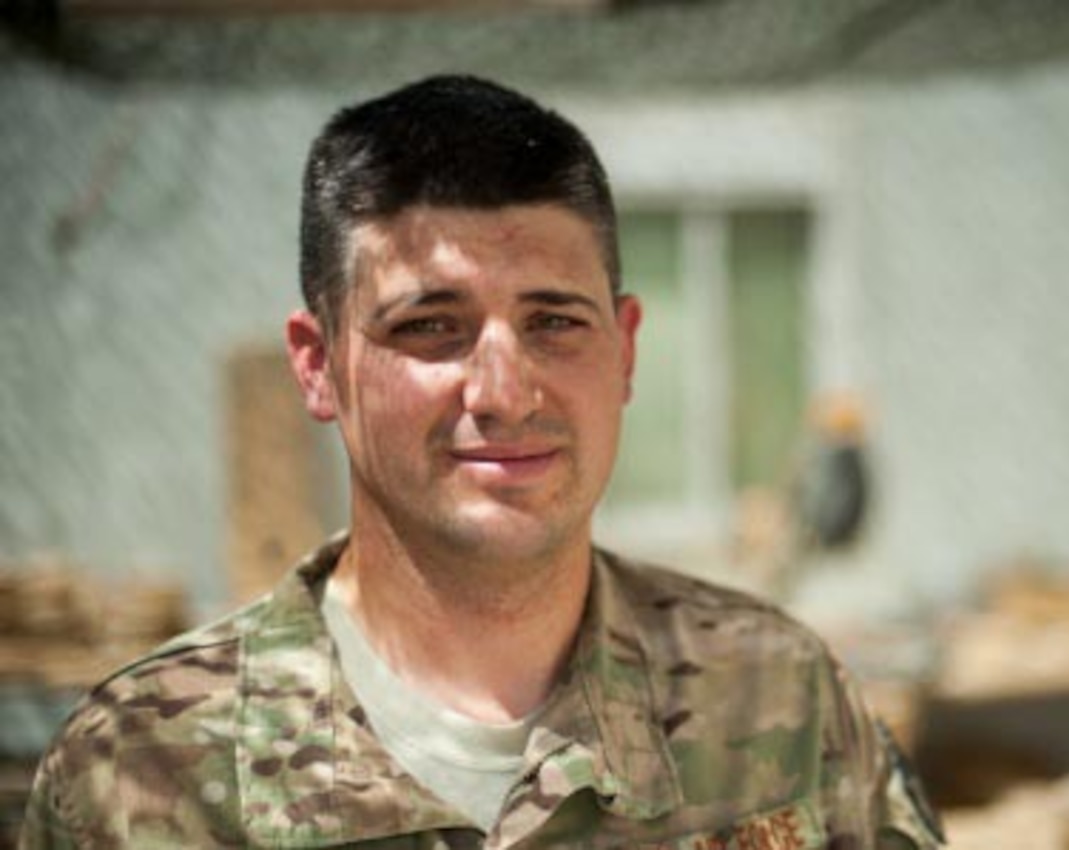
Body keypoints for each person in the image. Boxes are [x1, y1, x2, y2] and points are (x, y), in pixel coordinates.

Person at [21, 74, 945, 849]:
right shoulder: (144, 772)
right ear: (319, 365)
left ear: (624, 350)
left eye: (554, 321)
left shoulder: (781, 702)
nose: (504, 391)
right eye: (431, 327)